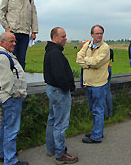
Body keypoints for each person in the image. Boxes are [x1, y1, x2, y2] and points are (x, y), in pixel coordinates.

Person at [44, 27, 78, 164]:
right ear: (55, 37)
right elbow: (59, 75)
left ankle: (51, 148)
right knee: (60, 123)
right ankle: (60, 154)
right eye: (63, 36)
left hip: (53, 89)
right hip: (59, 91)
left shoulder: (52, 51)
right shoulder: (55, 53)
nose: (65, 39)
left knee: (52, 120)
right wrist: (68, 87)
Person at [0, 32, 29, 165]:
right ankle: (10, 160)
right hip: (11, 98)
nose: (14, 44)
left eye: (14, 41)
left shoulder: (4, 56)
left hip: (9, 97)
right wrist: (16, 93)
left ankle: (3, 155)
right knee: (12, 129)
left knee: (6, 127)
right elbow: (6, 82)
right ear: (2, 42)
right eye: (11, 41)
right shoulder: (3, 58)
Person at [76, 25, 110, 143]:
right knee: (93, 109)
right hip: (88, 83)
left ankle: (96, 136)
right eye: (97, 33)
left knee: (98, 110)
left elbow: (96, 62)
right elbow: (78, 58)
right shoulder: (87, 45)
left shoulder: (105, 48)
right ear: (92, 35)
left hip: (99, 84)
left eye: (101, 33)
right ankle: (97, 131)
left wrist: (85, 60)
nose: (99, 35)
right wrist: (88, 62)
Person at [0, 0, 38, 70]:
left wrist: (34, 31)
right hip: (12, 33)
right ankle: (10, 79)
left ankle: (21, 80)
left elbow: (34, 15)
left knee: (21, 58)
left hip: (24, 33)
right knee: (11, 57)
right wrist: (7, 27)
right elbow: (1, 13)